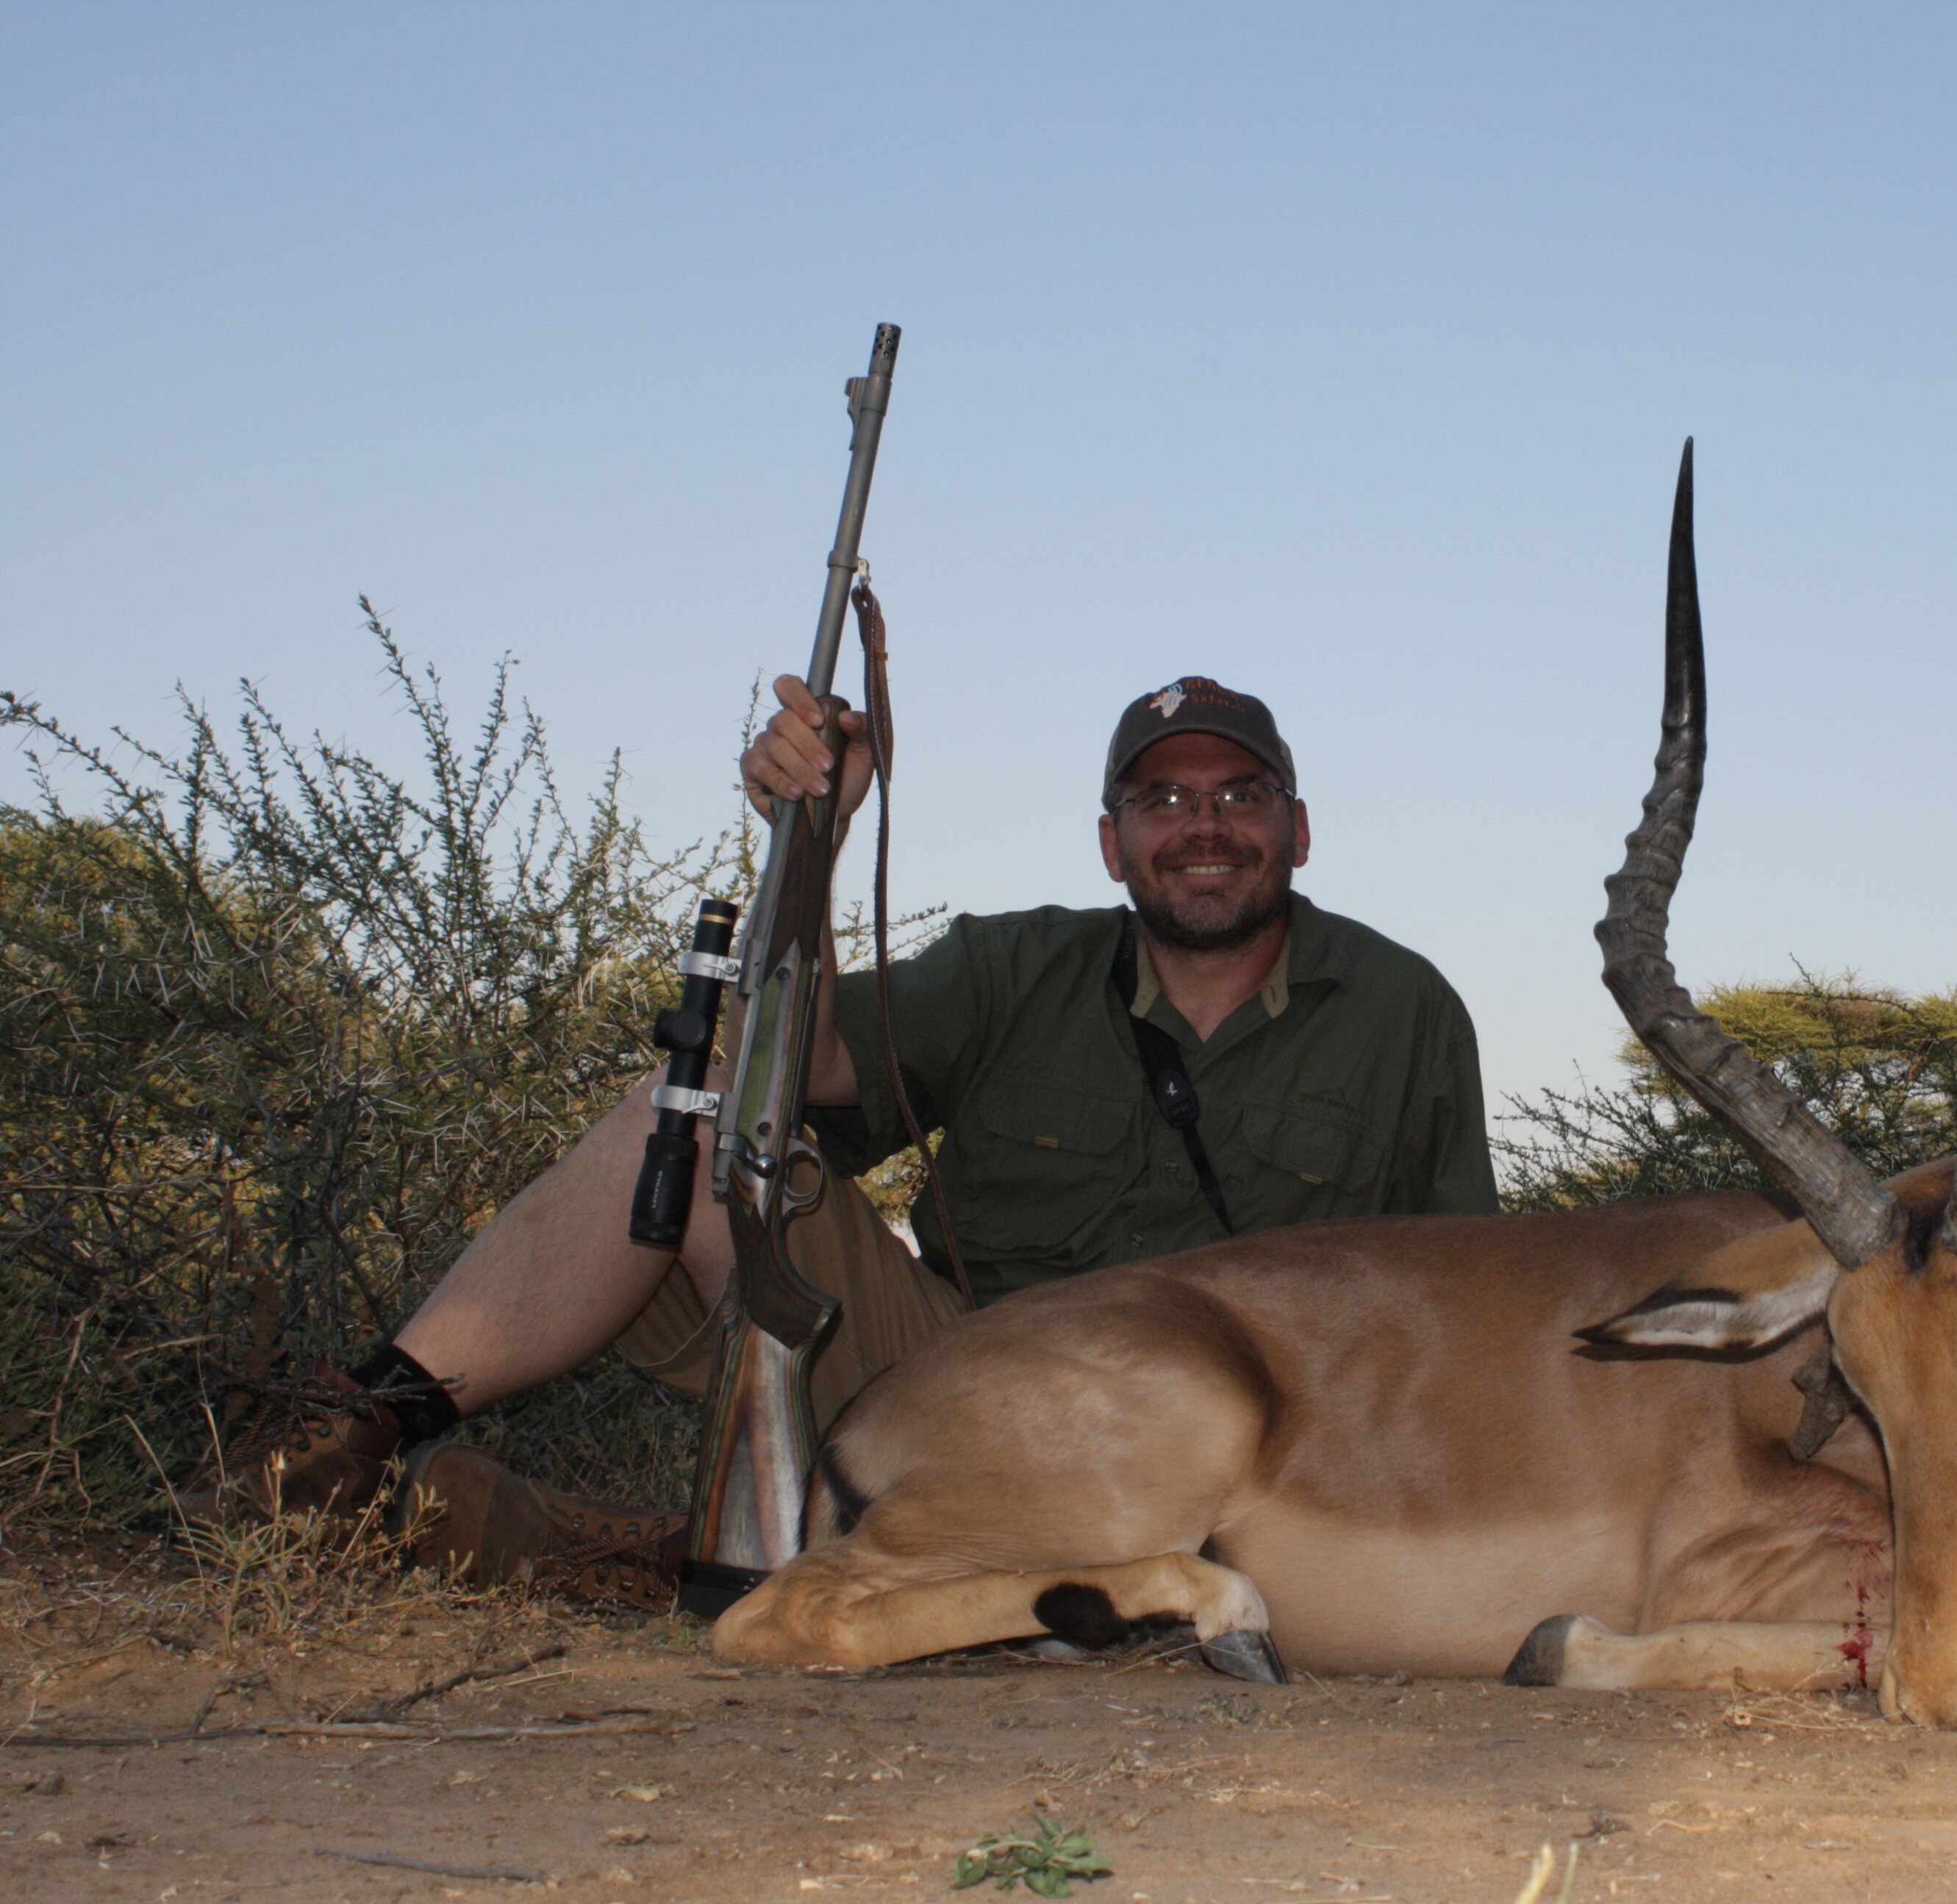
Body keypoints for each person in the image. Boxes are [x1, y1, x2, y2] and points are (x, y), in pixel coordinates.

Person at [172, 674, 1499, 1603]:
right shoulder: (1014, 966)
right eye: (1163, 803)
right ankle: (347, 1434)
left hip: (1240, 1457)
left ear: (1297, 827)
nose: (1203, 826)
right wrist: (813, 835)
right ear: (1113, 844)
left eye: (1239, 793)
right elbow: (773, 1065)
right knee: (683, 1128)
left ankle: (658, 1559)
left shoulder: (1408, 1012)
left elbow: (1467, 1312)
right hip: (967, 1384)